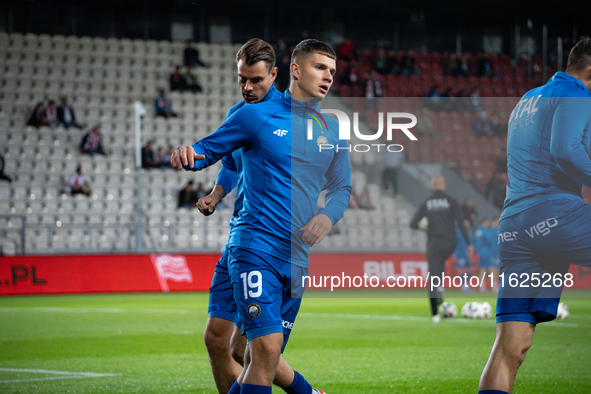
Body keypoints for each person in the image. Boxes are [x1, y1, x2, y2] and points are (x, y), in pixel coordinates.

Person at [171, 39, 350, 394]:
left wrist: (328, 217)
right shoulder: (253, 115)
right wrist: (192, 154)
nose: (327, 76)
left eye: (331, 70)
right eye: (319, 68)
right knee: (256, 347)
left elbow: (342, 189)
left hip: (296, 257)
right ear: (295, 70)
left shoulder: (332, 129)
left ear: (274, 73)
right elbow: (214, 151)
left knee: (257, 352)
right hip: (255, 245)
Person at [478, 36, 591, 394]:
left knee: (511, 347)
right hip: (556, 216)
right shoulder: (576, 94)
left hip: (515, 227)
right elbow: (566, 151)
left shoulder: (528, 99)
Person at [409, 175, 473, 323]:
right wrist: (469, 243)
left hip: (434, 243)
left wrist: (424, 227)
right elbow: (461, 223)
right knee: (442, 263)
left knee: (434, 274)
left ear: (432, 186)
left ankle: (434, 314)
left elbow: (413, 223)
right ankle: (441, 289)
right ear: (444, 185)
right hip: (450, 243)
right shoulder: (451, 201)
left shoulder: (427, 202)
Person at [473, 218, 493, 292]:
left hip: (482, 252)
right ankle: (493, 286)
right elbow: (490, 239)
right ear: (483, 222)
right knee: (491, 267)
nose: (489, 223)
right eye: (487, 222)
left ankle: (482, 286)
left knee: (483, 268)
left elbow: (474, 242)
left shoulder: (479, 231)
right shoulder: (483, 231)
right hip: (485, 252)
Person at [454, 219, 473, 292]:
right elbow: (455, 244)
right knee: (461, 269)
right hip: (461, 254)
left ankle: (467, 284)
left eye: (468, 225)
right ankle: (463, 285)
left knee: (470, 269)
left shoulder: (469, 232)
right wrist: (456, 254)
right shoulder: (458, 233)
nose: (467, 226)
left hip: (468, 255)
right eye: (465, 225)